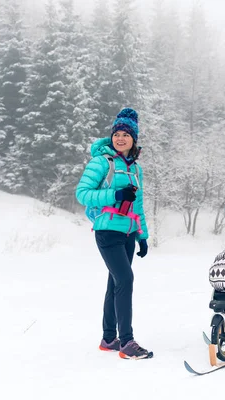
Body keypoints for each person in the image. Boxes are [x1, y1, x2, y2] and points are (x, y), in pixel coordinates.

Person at [75, 107, 152, 359]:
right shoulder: (101, 162)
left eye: (126, 134)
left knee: (116, 282)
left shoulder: (135, 169)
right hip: (107, 230)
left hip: (128, 233)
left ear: (134, 139)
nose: (120, 138)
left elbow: (138, 205)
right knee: (126, 280)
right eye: (117, 133)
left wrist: (142, 235)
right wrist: (115, 194)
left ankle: (109, 338)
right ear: (111, 137)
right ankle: (127, 342)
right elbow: (82, 194)